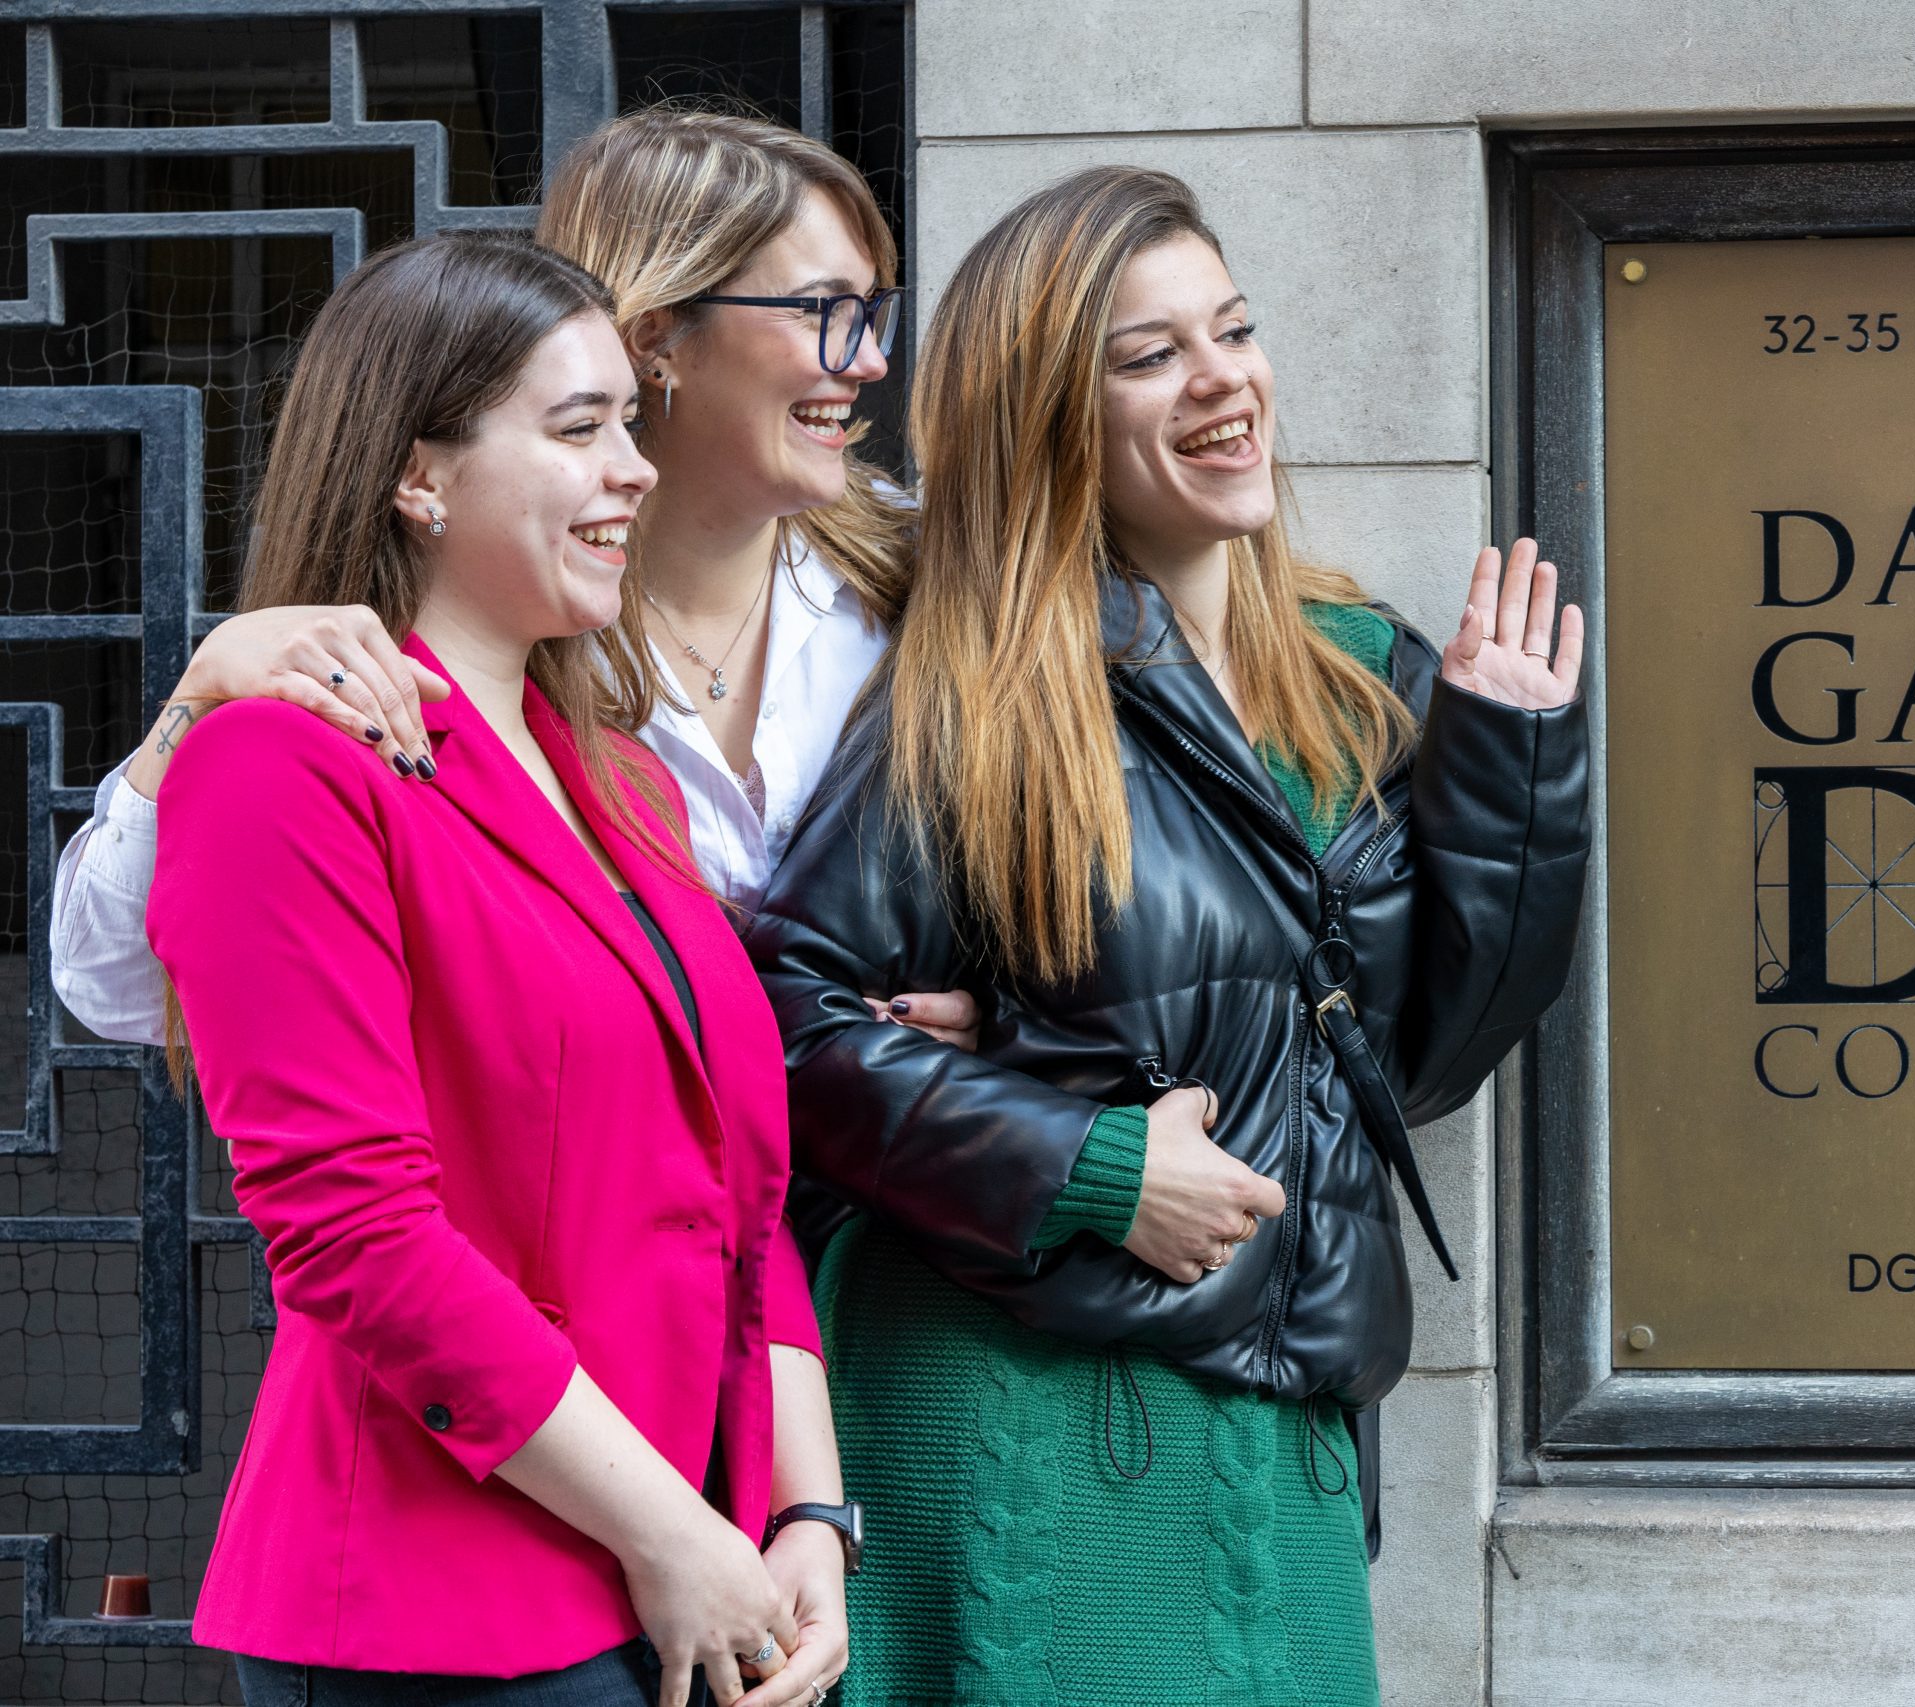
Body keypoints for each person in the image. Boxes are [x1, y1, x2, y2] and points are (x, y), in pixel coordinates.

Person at [748, 166, 1590, 1705]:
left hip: (1282, 1405)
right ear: (1052, 416)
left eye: (1235, 330)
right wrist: (1092, 1156)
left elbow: (1422, 1060)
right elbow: (779, 1026)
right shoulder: (980, 693)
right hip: (1032, 1401)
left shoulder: (1361, 671)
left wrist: (1514, 777)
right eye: (1149, 355)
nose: (1223, 381)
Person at [147, 231, 849, 1707]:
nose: (637, 470)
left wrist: (806, 1516)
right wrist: (672, 1528)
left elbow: (747, 1201)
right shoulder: (279, 764)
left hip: (697, 1577)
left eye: (631, 426)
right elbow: (355, 1230)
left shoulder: (621, 786)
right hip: (448, 1613)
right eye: (579, 428)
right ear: (420, 474)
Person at [49, 104, 975, 1053]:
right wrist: (199, 703)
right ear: (656, 336)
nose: (870, 359)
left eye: (873, 311)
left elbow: (1060, 892)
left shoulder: (924, 575)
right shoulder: (477, 614)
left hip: (890, 1177)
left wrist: (1003, 1024)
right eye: (826, 310)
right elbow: (119, 985)